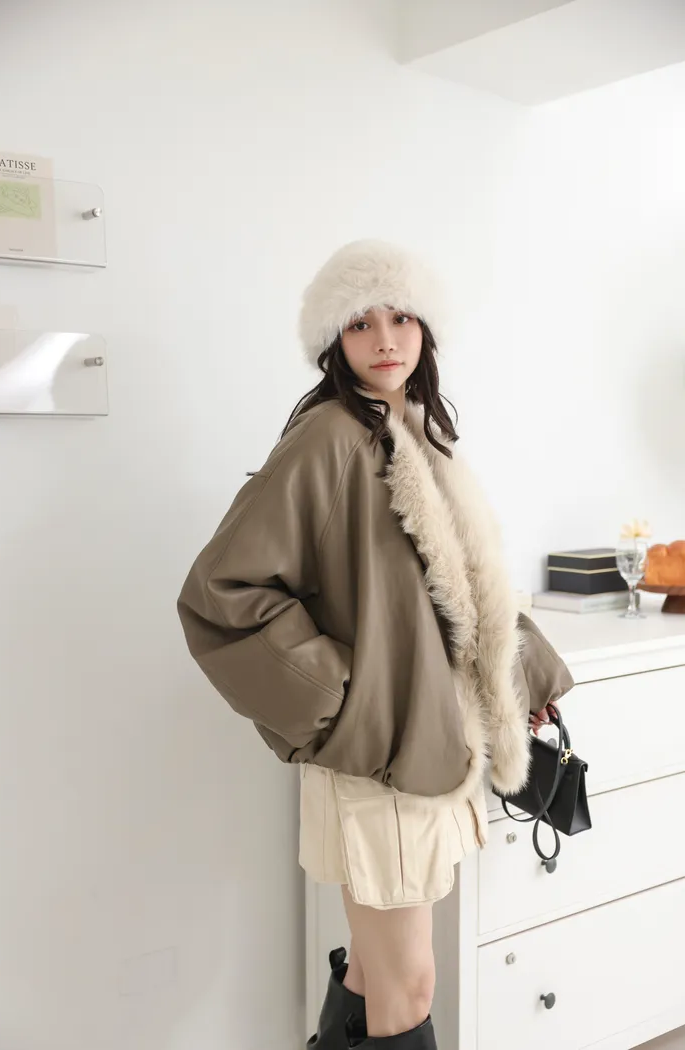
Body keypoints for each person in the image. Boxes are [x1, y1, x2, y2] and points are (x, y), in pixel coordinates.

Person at [177, 240, 574, 1049]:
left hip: (428, 746)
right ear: (335, 339)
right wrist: (350, 703)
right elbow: (222, 594)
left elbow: (462, 587)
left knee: (375, 971)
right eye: (361, 323)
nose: (386, 339)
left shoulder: (415, 430)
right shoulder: (329, 437)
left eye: (401, 318)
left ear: (426, 328)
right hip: (385, 756)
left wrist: (521, 678)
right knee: (409, 983)